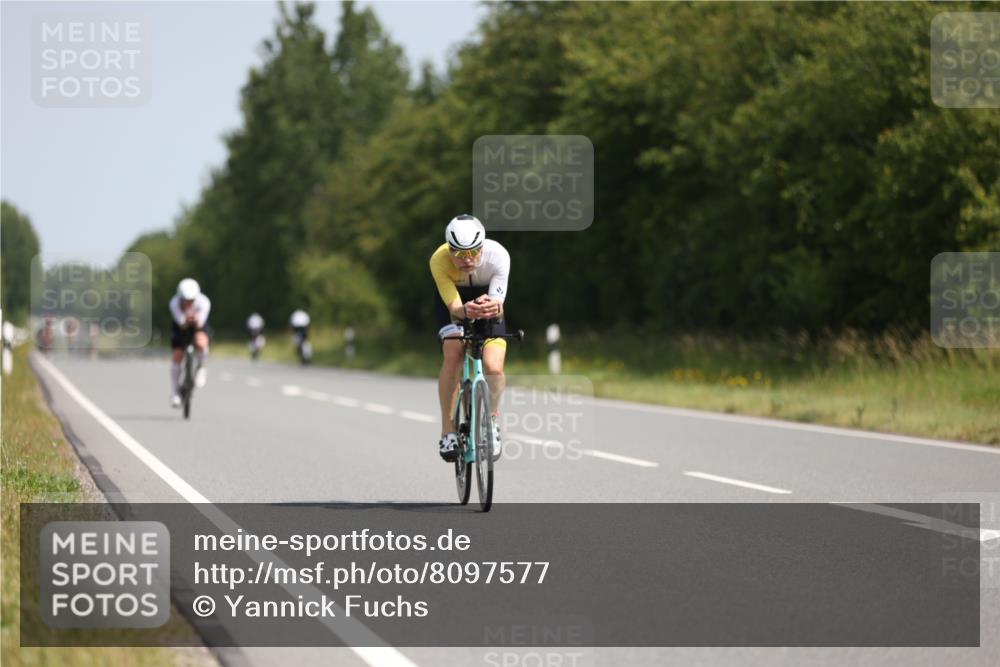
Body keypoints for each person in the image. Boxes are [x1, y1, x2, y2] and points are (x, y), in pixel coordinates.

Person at [431, 214, 509, 462]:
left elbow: (498, 303)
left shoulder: (498, 255)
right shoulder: (439, 260)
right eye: (458, 252)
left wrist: (491, 307)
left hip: (487, 300)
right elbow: (454, 307)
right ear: (448, 248)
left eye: (474, 252)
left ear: (482, 246)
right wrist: (464, 311)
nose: (466, 259)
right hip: (454, 303)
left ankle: (492, 421)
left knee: (493, 365)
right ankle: (448, 431)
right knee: (453, 354)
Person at [169, 278, 211, 407]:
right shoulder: (174, 303)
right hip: (180, 327)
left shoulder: (204, 302)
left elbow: (200, 322)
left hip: (198, 324)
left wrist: (195, 318)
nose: (188, 303)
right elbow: (181, 323)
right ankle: (175, 392)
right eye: (185, 300)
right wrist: (186, 319)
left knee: (201, 341)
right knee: (177, 354)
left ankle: (201, 367)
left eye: (191, 300)